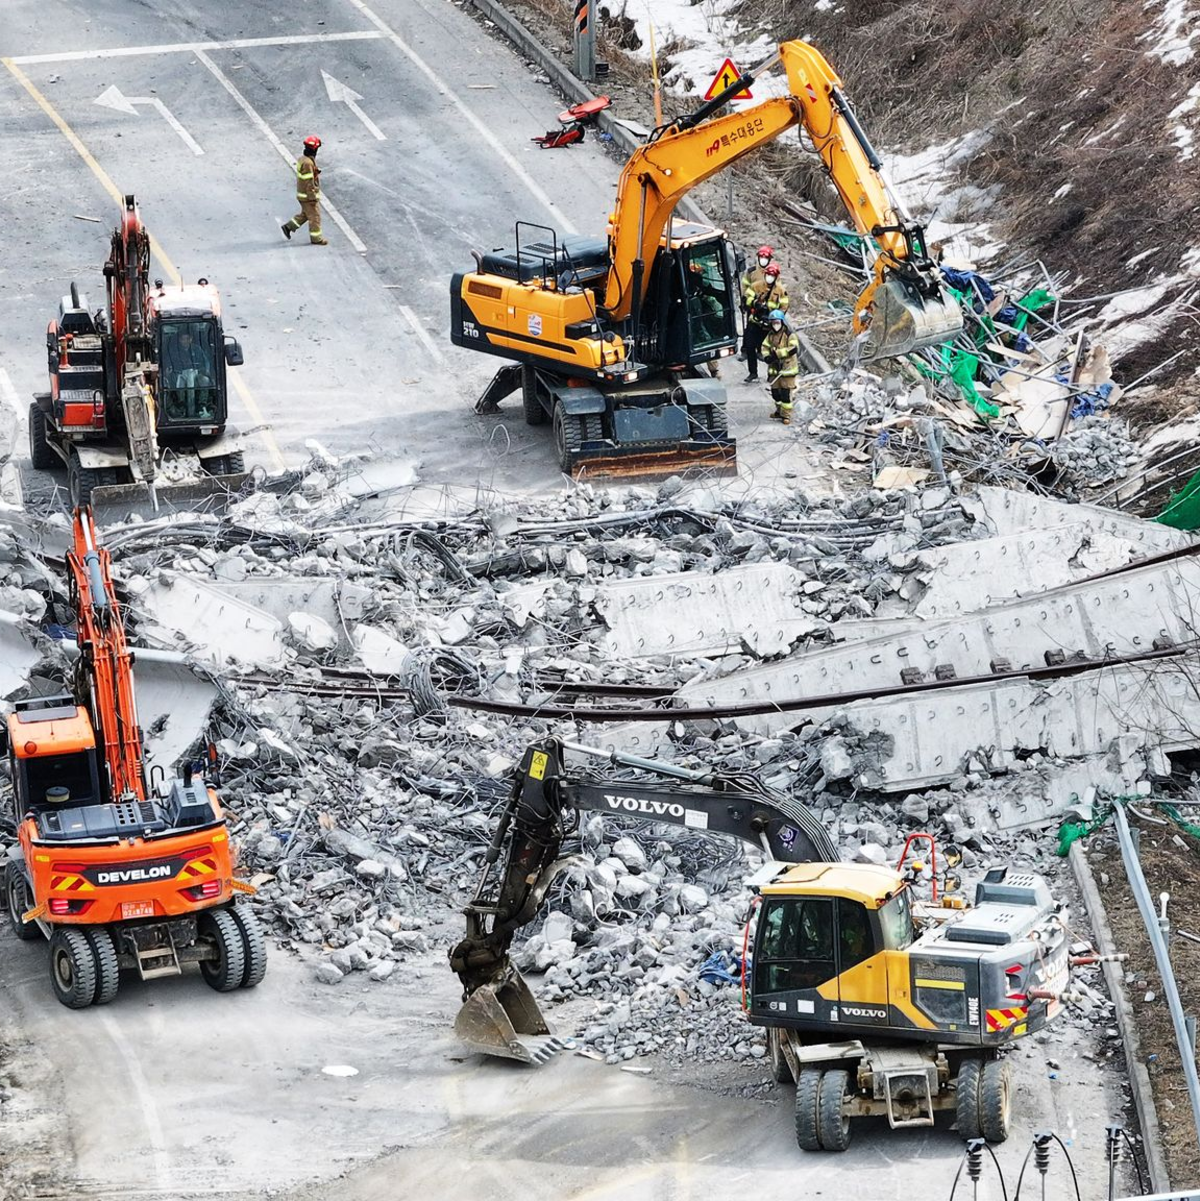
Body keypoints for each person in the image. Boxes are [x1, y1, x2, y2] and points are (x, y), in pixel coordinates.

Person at [742, 250, 789, 383]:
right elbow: (747, 297)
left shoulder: (780, 290)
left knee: (771, 350)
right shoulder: (756, 285)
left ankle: (772, 373)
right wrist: (754, 304)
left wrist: (775, 316)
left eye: (772, 276)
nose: (769, 278)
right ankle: (753, 372)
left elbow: (784, 306)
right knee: (750, 346)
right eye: (768, 275)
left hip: (770, 324)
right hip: (755, 321)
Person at [282, 136, 328, 246]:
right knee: (315, 217)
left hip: (302, 194)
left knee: (306, 214)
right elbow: (309, 182)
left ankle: (288, 227)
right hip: (307, 196)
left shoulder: (303, 159)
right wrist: (312, 197)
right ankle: (316, 239)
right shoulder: (308, 163)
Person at [162, 328, 214, 418]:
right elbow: (168, 364)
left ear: (191, 339)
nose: (185, 341)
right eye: (183, 339)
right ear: (179, 340)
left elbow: (206, 363)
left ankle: (202, 406)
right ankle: (180, 405)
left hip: (196, 375)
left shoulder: (197, 349)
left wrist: (205, 371)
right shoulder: (174, 351)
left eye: (187, 339)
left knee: (205, 380)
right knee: (173, 381)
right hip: (179, 374)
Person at [763, 309, 800, 424]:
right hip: (775, 369)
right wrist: (767, 357)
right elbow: (764, 347)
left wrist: (778, 354)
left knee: (785, 394)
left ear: (782, 322)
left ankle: (786, 416)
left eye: (777, 322)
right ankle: (779, 411)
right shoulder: (770, 335)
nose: (775, 325)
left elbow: (793, 348)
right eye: (773, 322)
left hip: (787, 370)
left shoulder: (789, 335)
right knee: (775, 393)